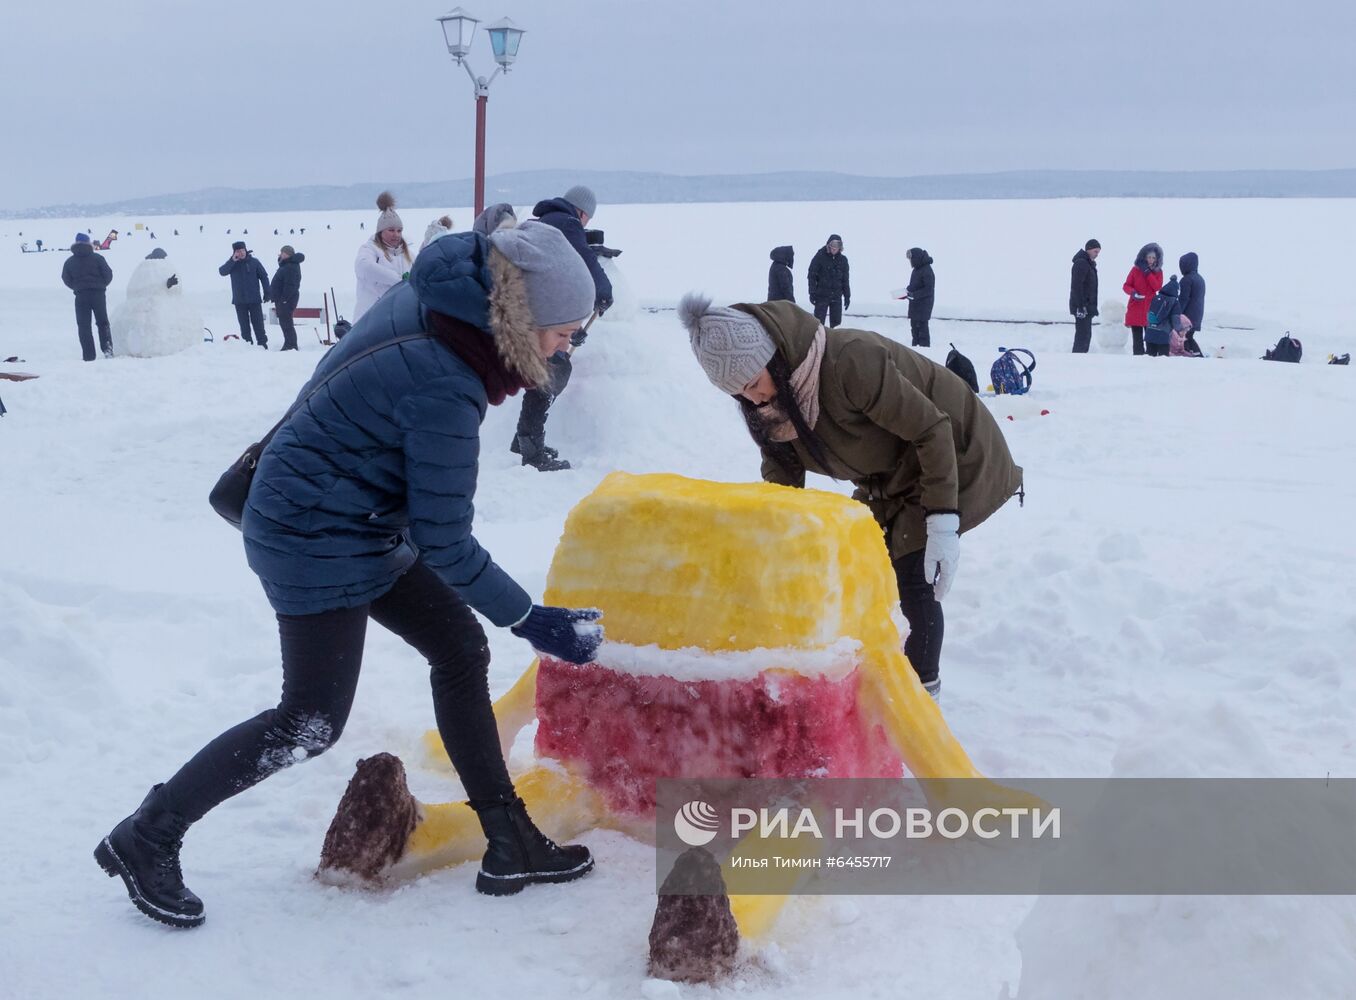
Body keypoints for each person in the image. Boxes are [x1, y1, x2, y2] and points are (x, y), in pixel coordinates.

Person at [94, 221, 605, 929]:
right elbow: (447, 541)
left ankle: (507, 837)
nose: (567, 345)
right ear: (523, 316)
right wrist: (529, 618)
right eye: (563, 331)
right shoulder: (447, 384)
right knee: (308, 720)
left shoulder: (442, 298)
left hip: (350, 511)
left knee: (459, 649)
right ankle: (147, 834)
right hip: (312, 532)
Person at [677, 293, 1023, 700]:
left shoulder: (849, 362)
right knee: (863, 562)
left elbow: (931, 429)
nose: (754, 399)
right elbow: (781, 481)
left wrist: (943, 521)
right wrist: (771, 543)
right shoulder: (772, 406)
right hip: (889, 475)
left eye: (754, 383)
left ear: (776, 358)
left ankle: (919, 697)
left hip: (953, 452)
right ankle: (875, 672)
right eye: (739, 394)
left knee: (912, 573)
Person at [510, 185, 613, 471]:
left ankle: (523, 441)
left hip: (534, 306)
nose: (585, 224)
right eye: (587, 219)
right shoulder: (566, 224)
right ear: (581, 212)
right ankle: (531, 449)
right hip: (546, 312)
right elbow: (584, 258)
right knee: (553, 369)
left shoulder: (545, 221)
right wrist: (604, 290)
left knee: (546, 369)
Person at [353, 191, 412, 320]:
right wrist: (399, 281)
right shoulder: (370, 249)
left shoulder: (407, 254)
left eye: (399, 231)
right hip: (369, 320)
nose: (396, 234)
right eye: (391, 230)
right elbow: (364, 267)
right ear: (380, 231)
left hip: (397, 319)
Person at [60, 232, 114, 360]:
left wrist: (77, 287)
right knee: (103, 323)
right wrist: (101, 285)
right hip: (98, 294)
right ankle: (108, 351)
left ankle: (89, 355)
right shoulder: (98, 258)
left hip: (81, 295)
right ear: (89, 243)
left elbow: (66, 278)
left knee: (84, 326)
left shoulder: (69, 261)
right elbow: (108, 274)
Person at [218, 241, 271, 347]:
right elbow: (222, 272)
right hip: (239, 300)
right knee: (244, 325)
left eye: (242, 250)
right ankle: (247, 344)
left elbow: (264, 277)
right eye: (238, 251)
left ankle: (262, 343)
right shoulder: (232, 264)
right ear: (234, 253)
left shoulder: (254, 262)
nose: (241, 253)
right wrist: (232, 260)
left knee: (258, 323)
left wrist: (267, 292)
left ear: (246, 250)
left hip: (254, 299)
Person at [1122, 243, 1164, 356]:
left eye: (1153, 257)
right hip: (1135, 308)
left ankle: (1150, 364)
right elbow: (1126, 286)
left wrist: (1147, 273)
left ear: (1157, 258)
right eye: (1149, 257)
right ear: (1144, 257)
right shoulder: (1135, 270)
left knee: (1150, 341)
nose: (1151, 260)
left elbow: (1157, 287)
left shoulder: (1158, 272)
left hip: (1150, 310)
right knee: (1137, 342)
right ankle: (1137, 363)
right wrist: (1133, 293)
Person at [807, 235, 850, 328]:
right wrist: (812, 292)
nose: (834, 248)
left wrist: (847, 296)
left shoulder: (843, 260)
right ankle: (819, 341)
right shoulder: (819, 257)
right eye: (832, 246)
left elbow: (845, 280)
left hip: (836, 297)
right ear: (828, 245)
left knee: (836, 325)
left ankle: (834, 342)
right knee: (818, 324)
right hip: (821, 296)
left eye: (837, 246)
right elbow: (812, 276)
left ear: (840, 248)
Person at [269, 246, 304, 351]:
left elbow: (290, 285)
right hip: (284, 300)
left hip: (286, 300)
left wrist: (284, 299)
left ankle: (291, 345)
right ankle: (289, 343)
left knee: (287, 323)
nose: (281, 255)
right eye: (281, 253)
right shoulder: (288, 265)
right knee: (285, 323)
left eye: (283, 253)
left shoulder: (290, 266)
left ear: (289, 254)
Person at [1069, 239, 1101, 353]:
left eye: (1098, 252)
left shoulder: (1089, 264)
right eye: (1095, 251)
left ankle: (1081, 358)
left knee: (1086, 336)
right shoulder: (1081, 263)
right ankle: (1077, 359)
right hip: (1083, 307)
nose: (1097, 254)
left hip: (1087, 307)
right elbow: (1076, 286)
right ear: (1088, 249)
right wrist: (1080, 306)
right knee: (1082, 337)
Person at [901, 247, 936, 347]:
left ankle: (924, 352)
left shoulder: (927, 270)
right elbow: (915, 285)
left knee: (922, 332)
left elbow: (929, 290)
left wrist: (914, 295)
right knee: (914, 331)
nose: (910, 262)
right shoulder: (916, 270)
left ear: (916, 258)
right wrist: (906, 291)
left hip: (923, 307)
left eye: (911, 259)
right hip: (915, 306)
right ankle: (915, 349)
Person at [1143, 274, 1182, 357]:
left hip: (1150, 331)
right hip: (1163, 334)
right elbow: (1175, 319)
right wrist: (1179, 330)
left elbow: (1149, 313)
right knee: (1163, 360)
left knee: (1149, 358)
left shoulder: (1156, 298)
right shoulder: (1174, 301)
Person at [1177, 252, 1206, 357]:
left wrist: (1177, 313)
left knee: (1185, 337)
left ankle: (1195, 356)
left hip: (1188, 316)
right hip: (1197, 314)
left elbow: (1183, 299)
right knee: (1188, 336)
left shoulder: (1186, 280)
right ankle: (1196, 355)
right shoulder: (1200, 279)